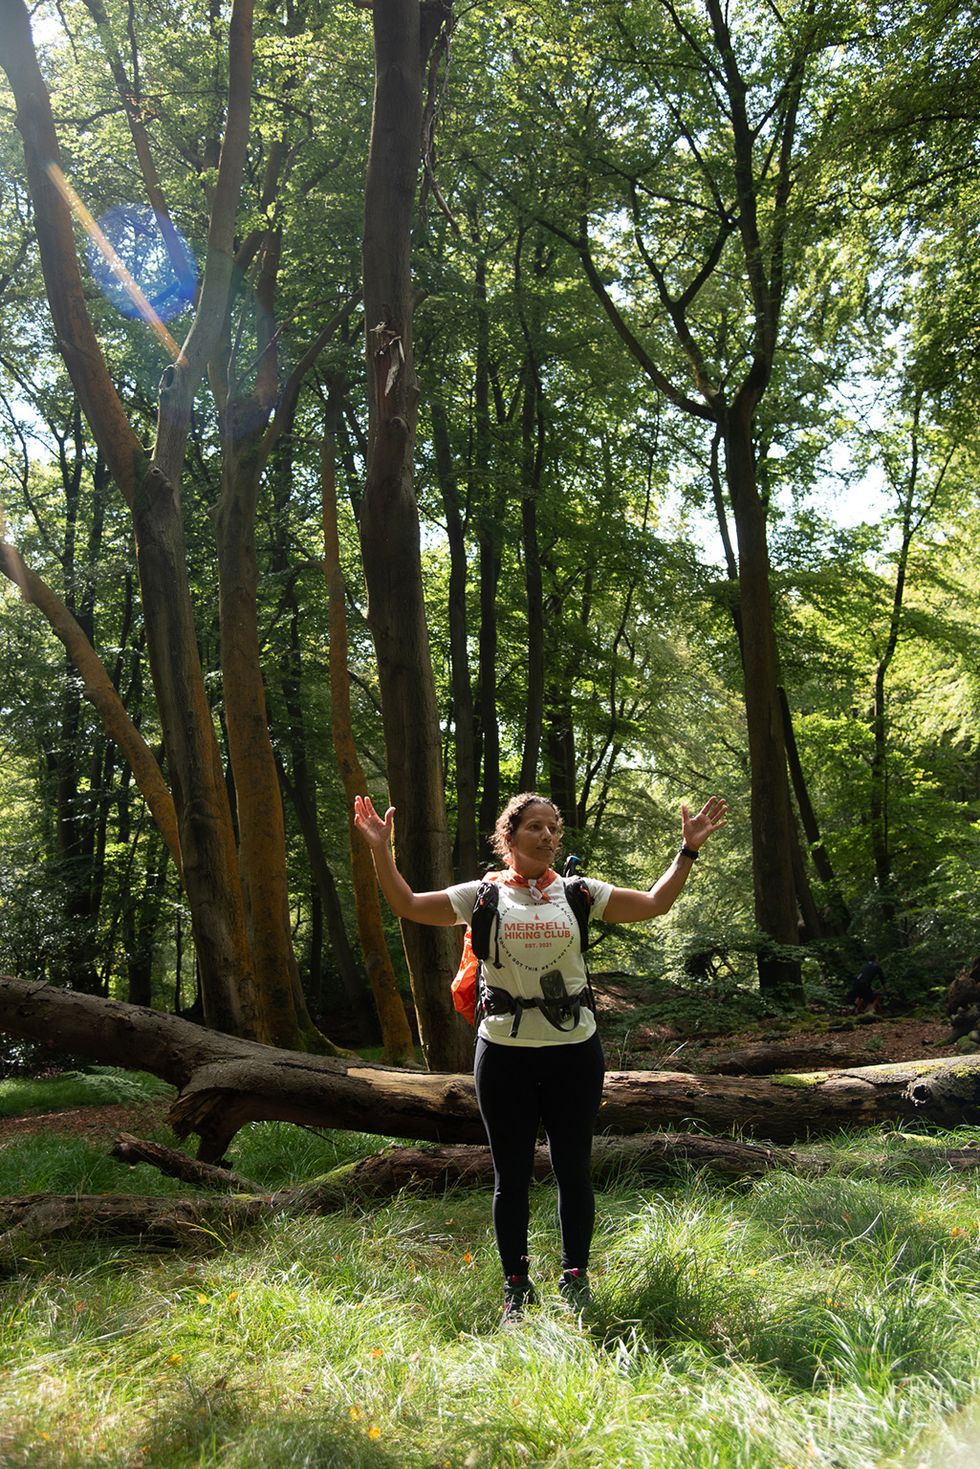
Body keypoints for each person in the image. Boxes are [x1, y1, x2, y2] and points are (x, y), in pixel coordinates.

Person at [353, 789, 727, 1325]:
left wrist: (686, 851)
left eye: (553, 827)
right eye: (535, 827)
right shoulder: (481, 896)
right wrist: (380, 850)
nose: (548, 835)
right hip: (503, 1053)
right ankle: (516, 1288)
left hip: (574, 1052)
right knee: (511, 1176)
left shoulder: (578, 892)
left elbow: (654, 904)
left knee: (574, 1169)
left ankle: (576, 1277)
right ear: (508, 837)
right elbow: (408, 905)